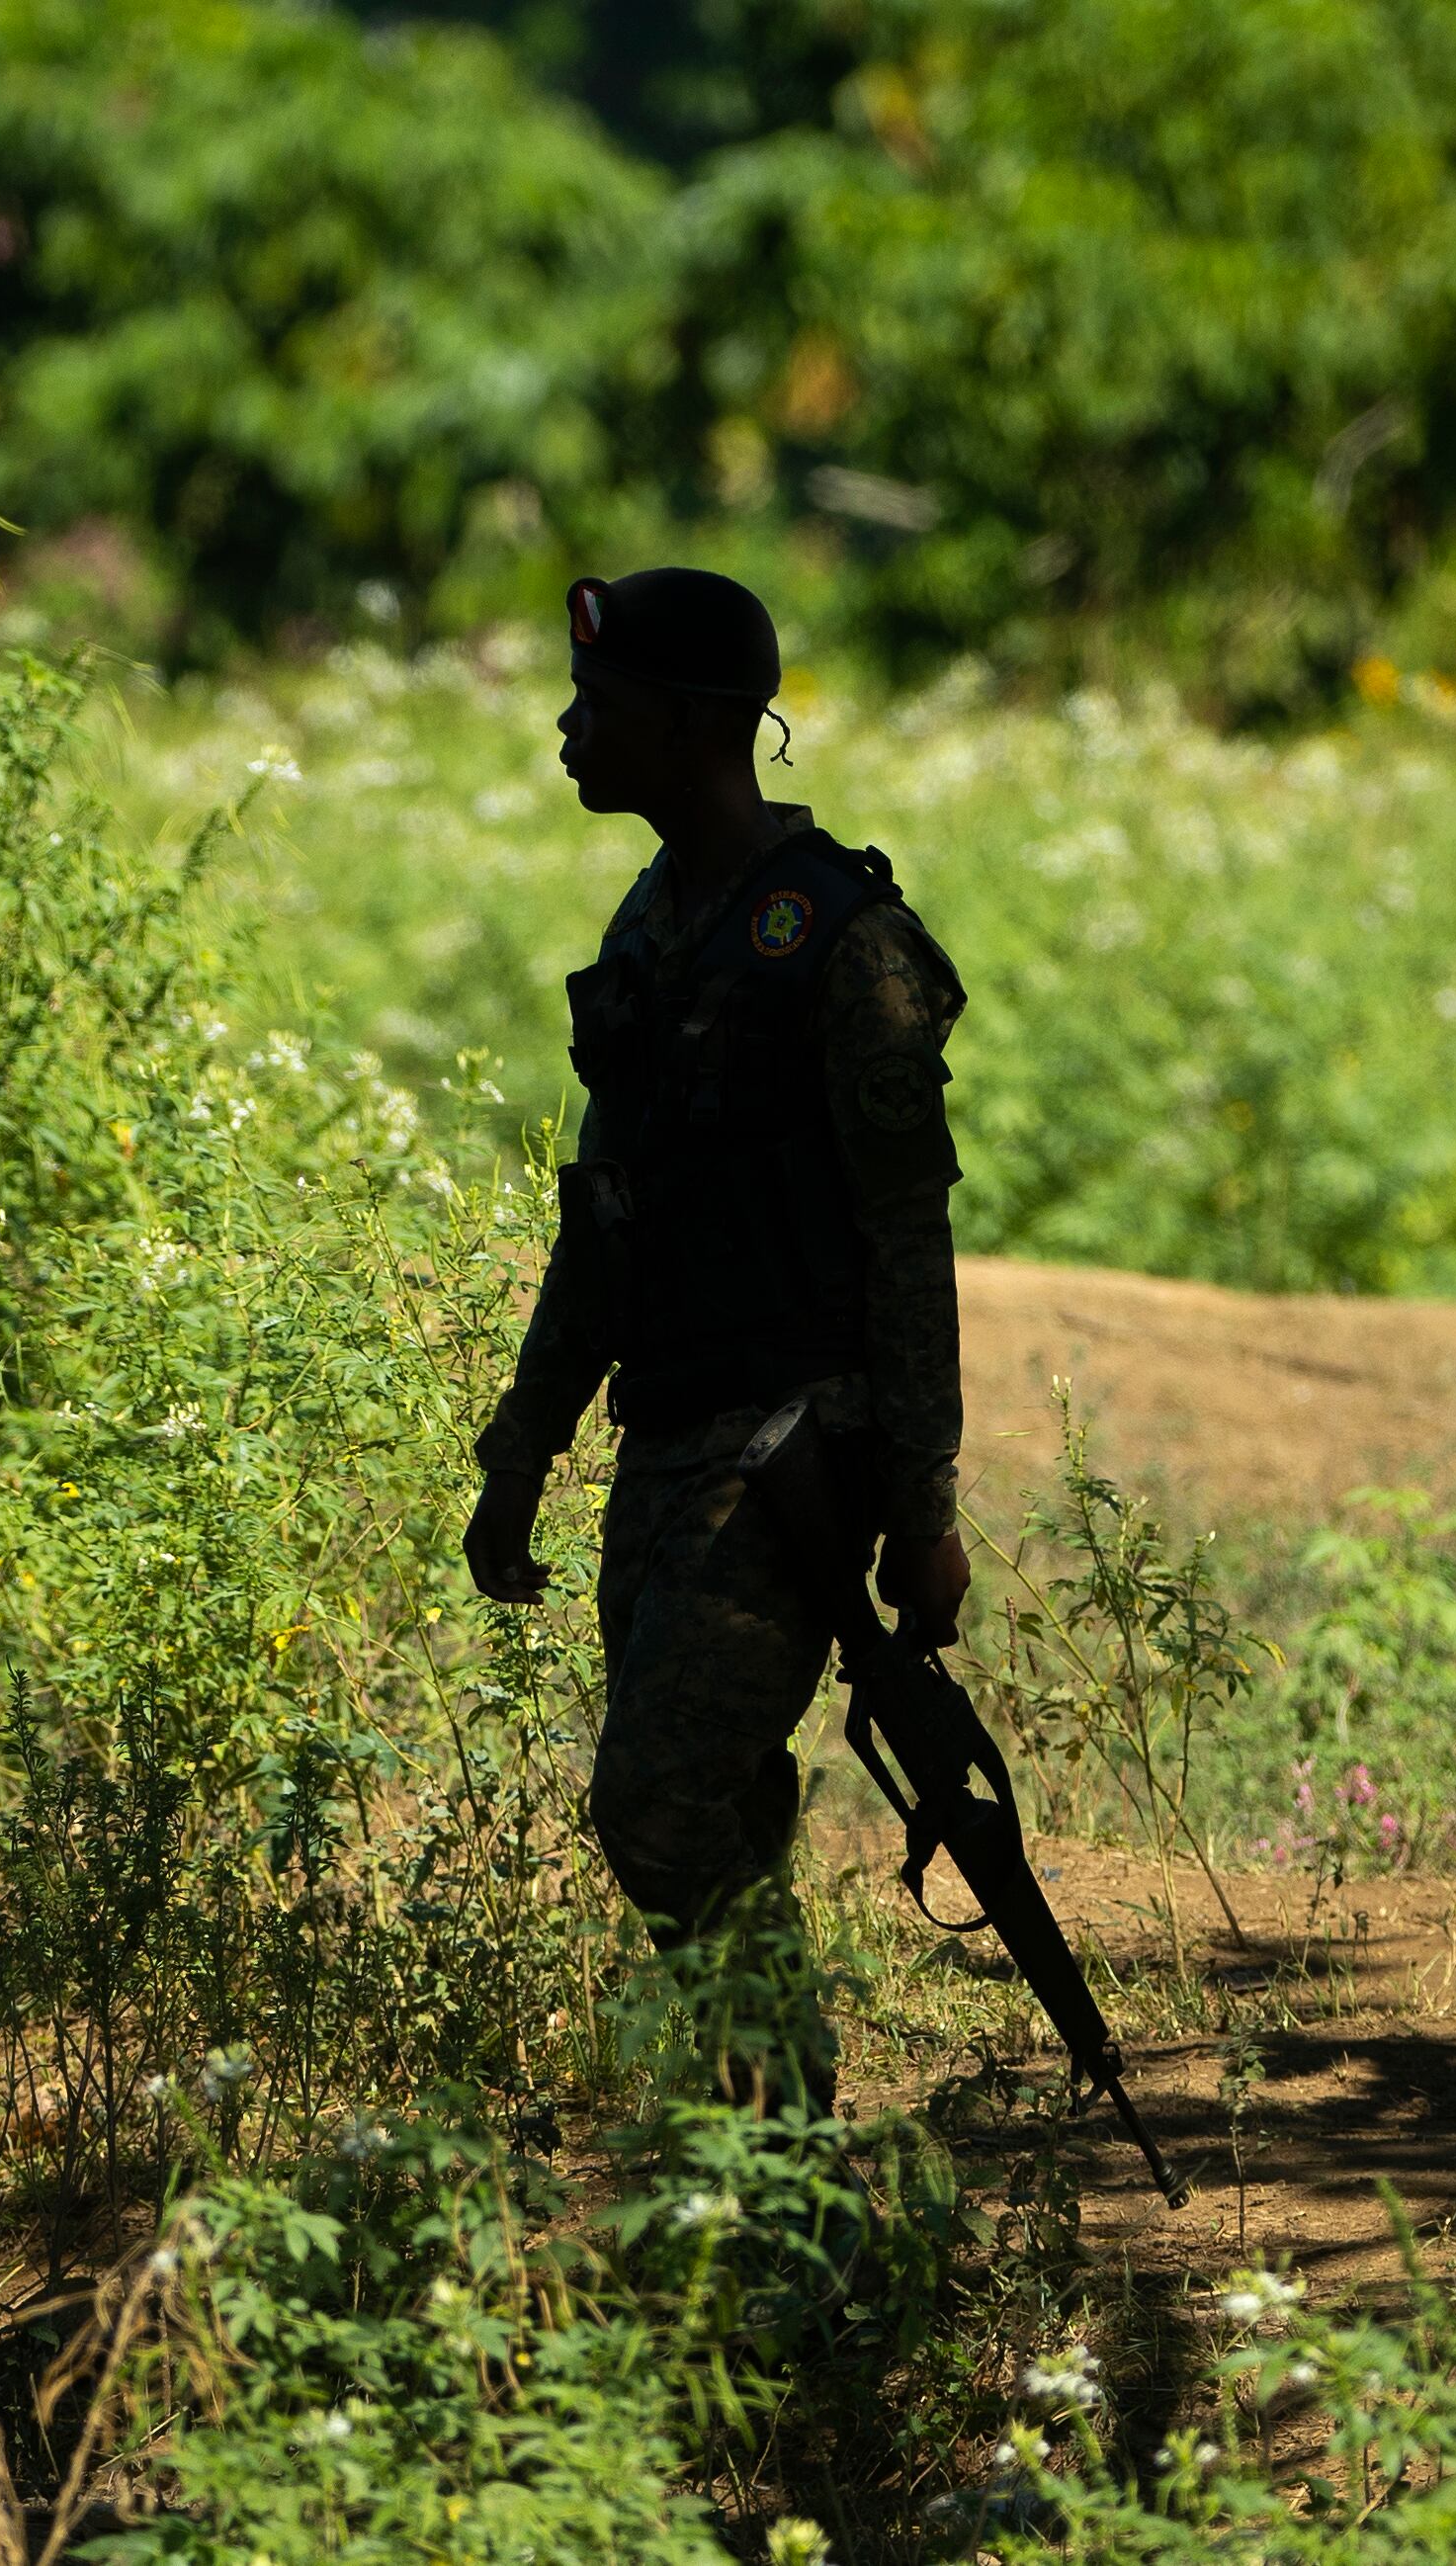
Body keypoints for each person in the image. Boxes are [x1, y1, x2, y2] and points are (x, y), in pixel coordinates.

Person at [462, 566, 971, 2100]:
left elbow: (909, 1240)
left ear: (692, 726)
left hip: (793, 1457)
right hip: (671, 1441)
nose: (568, 731)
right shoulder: (654, 922)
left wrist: (923, 1507)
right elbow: (602, 1216)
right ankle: (763, 2156)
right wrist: (522, 1448)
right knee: (719, 1811)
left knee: (662, 1803)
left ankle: (786, 2134)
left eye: (597, 705)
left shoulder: (844, 942)